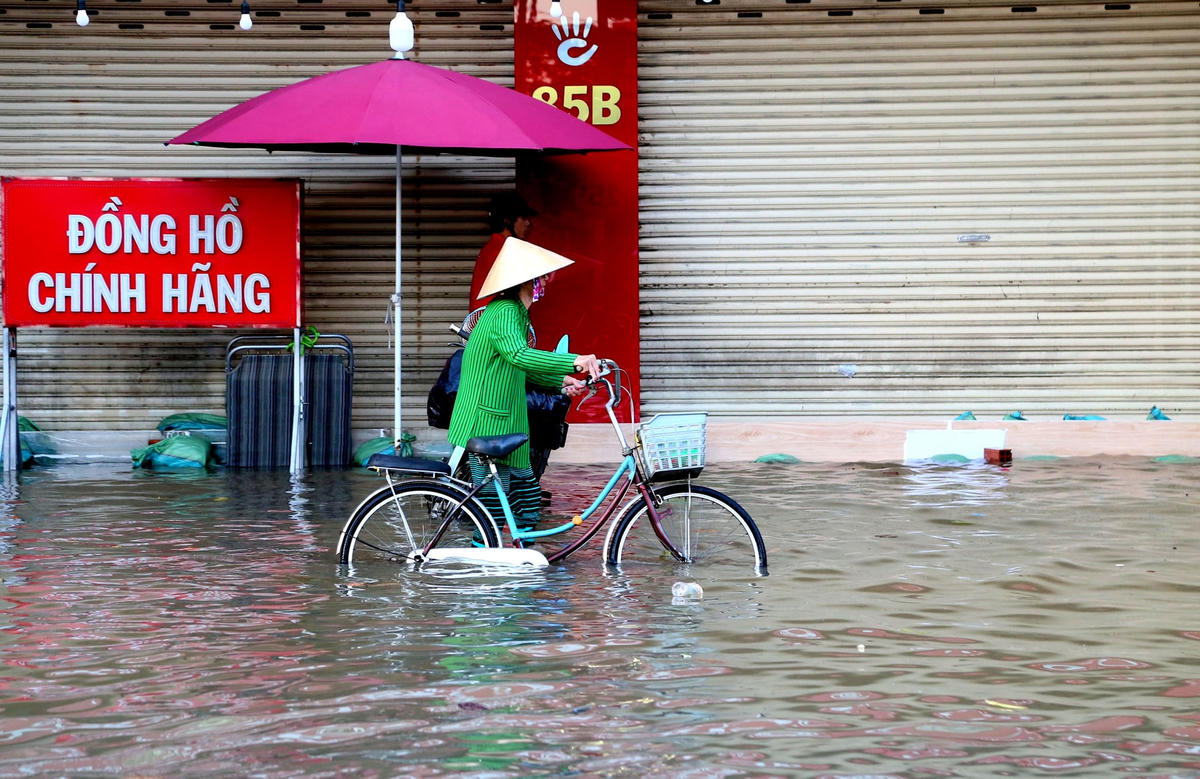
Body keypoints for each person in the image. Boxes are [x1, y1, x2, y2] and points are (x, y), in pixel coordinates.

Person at [448, 236, 601, 538]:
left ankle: (520, 551)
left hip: (505, 417)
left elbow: (517, 366)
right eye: (541, 276)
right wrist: (574, 362)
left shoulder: (515, 313)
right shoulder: (504, 312)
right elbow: (519, 355)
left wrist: (562, 382)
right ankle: (488, 556)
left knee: (525, 494)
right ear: (526, 281)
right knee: (495, 498)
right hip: (487, 419)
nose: (545, 281)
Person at [468, 192, 536, 307]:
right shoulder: (502, 251)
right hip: (495, 322)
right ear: (508, 220)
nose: (528, 223)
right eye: (523, 218)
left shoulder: (496, 248)